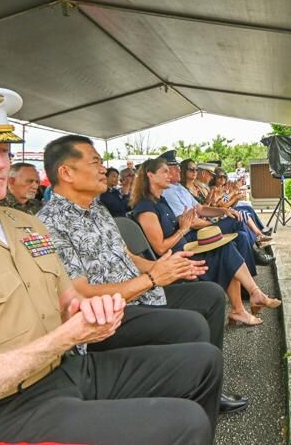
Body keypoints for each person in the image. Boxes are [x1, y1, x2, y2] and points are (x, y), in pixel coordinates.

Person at [0, 87, 222, 444]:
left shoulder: (25, 225)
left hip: (68, 368)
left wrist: (88, 309)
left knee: (203, 362)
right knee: (184, 422)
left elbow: (68, 298)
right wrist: (65, 336)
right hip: (4, 408)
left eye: (2, 150)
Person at [37, 135, 247, 414]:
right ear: (66, 172)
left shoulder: (97, 210)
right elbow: (81, 294)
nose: (103, 169)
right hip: (112, 314)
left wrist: (165, 267)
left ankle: (208, 387)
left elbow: (129, 257)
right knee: (191, 326)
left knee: (211, 295)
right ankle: (188, 404)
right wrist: (151, 279)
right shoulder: (49, 224)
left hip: (142, 292)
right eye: (96, 162)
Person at [133, 157, 281, 327]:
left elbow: (196, 211)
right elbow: (160, 249)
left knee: (226, 247)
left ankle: (248, 301)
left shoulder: (160, 200)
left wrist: (222, 210)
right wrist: (183, 229)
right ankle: (247, 303)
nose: (171, 174)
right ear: (150, 176)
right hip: (178, 258)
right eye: (165, 171)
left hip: (187, 248)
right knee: (226, 253)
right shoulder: (145, 208)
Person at [160, 151, 273, 265]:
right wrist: (214, 223)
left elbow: (201, 209)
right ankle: (255, 254)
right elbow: (191, 222)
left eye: (178, 167)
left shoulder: (179, 188)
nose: (179, 169)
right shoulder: (168, 191)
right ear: (166, 171)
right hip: (194, 232)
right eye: (175, 167)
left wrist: (224, 211)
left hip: (202, 224)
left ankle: (251, 263)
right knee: (237, 220)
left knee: (242, 234)